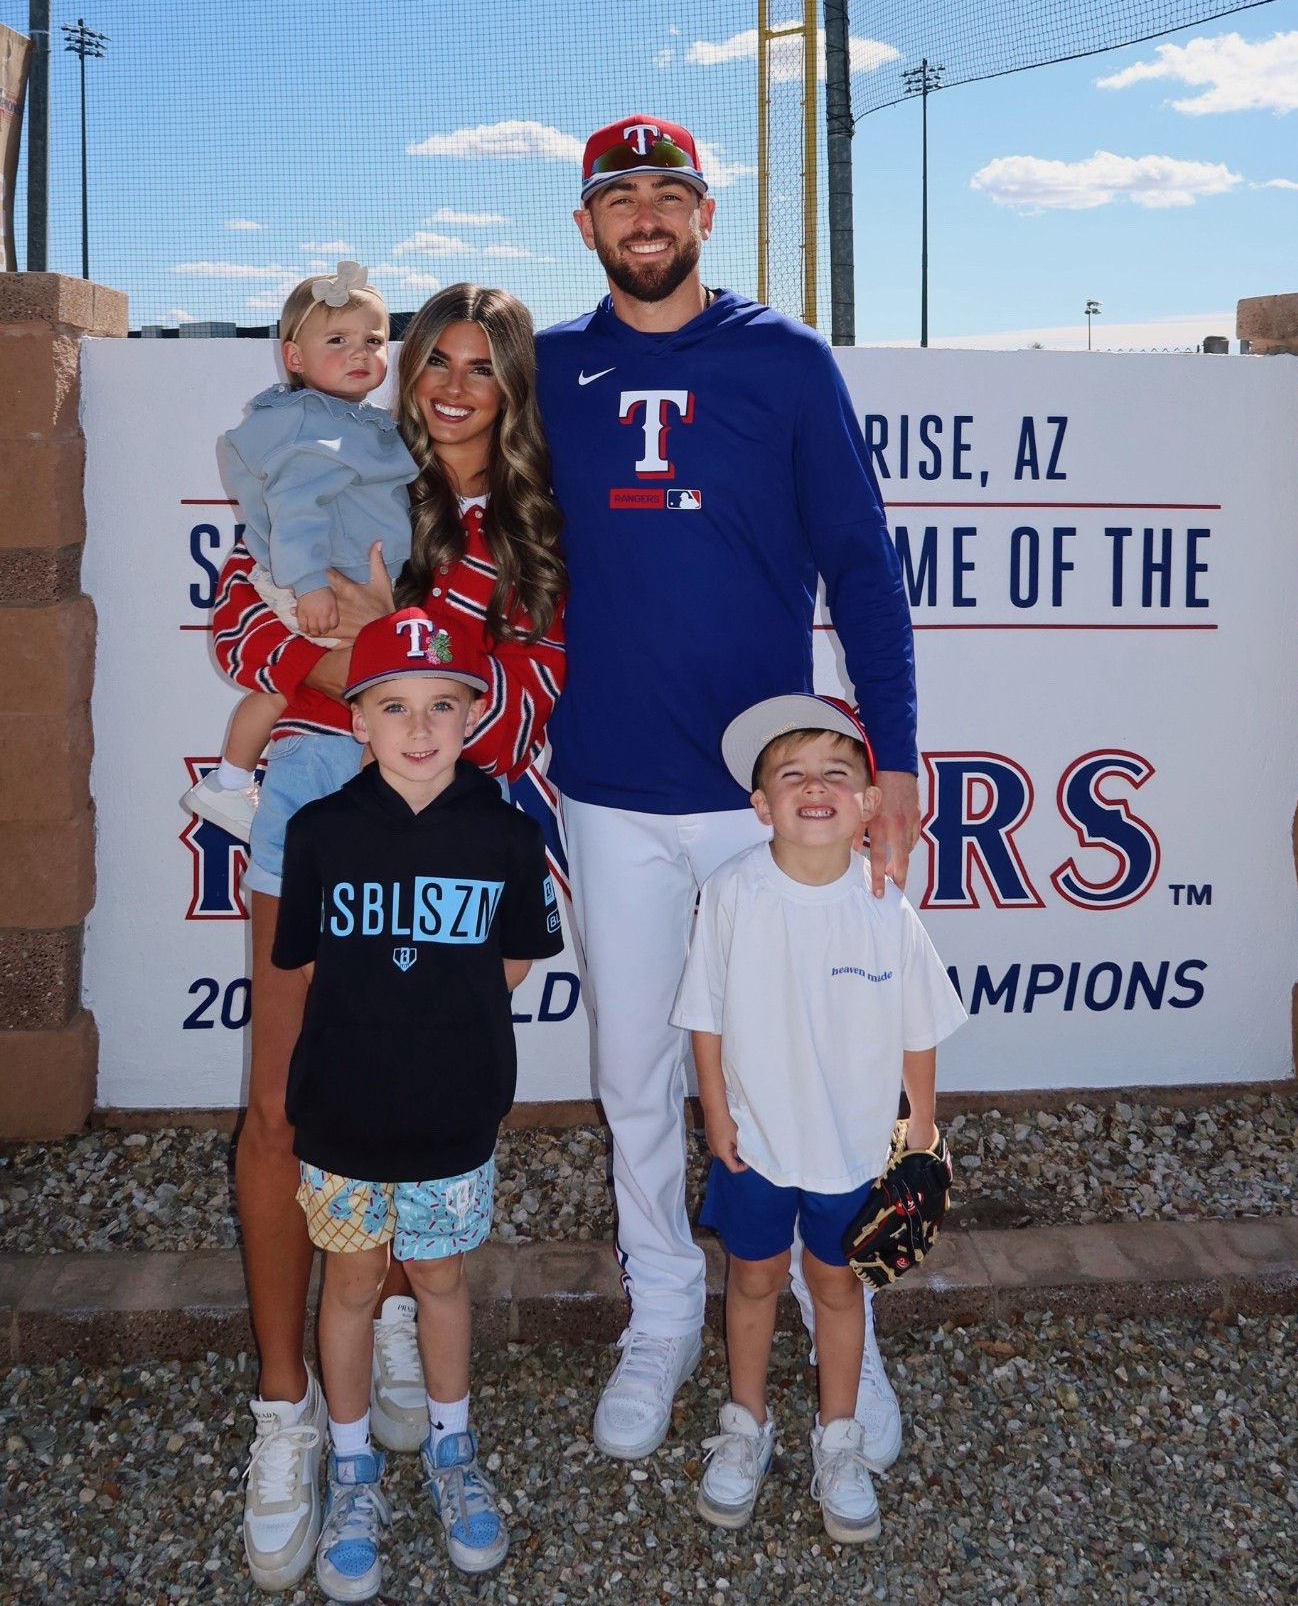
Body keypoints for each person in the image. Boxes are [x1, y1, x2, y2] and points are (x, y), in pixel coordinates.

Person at [535, 115, 921, 1465]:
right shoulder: (549, 368)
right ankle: (663, 1316)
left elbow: (863, 570)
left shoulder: (783, 359)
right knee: (634, 1073)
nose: (644, 215)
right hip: (610, 786)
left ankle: (839, 1335)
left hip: (772, 798)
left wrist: (898, 759)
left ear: (707, 215)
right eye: (618, 197)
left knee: (820, 1069)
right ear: (583, 224)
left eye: (668, 194)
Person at [209, 285, 566, 1592]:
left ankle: (406, 1334)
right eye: (433, 363)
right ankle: (287, 1412)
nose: (453, 387)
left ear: (515, 387)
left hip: (458, 832)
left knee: (424, 1091)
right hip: (319, 810)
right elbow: (239, 620)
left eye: (483, 368)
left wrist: (399, 659)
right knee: (281, 1109)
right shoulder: (355, 461)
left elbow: (524, 696)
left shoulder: (536, 519)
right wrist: (346, 664)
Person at [273, 606, 564, 1600]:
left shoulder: (507, 834)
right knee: (351, 1284)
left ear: (476, 709)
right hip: (345, 1113)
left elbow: (514, 956)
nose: (421, 724)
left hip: (453, 1114)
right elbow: (310, 965)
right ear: (357, 719)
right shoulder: (319, 832)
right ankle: (351, 1466)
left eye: (445, 702)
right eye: (394, 703)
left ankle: (451, 1445)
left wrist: (450, 1022)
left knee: (439, 1276)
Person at [672, 694, 965, 1542]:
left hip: (852, 1154)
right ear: (758, 806)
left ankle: (837, 1441)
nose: (814, 787)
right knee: (755, 1279)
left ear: (870, 803)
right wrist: (716, 1114)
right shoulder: (731, 893)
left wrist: (917, 1134)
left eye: (837, 773)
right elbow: (706, 1016)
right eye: (789, 774)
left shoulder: (886, 906)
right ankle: (745, 1423)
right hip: (757, 1142)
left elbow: (919, 1032)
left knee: (837, 1288)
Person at [183, 261, 417, 842]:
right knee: (311, 687)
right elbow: (295, 507)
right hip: (314, 584)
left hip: (338, 585)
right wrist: (311, 582)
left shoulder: (352, 422)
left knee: (309, 689)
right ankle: (229, 782)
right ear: (294, 357)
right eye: (336, 341)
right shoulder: (314, 427)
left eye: (373, 340)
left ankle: (233, 781)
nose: (359, 353)